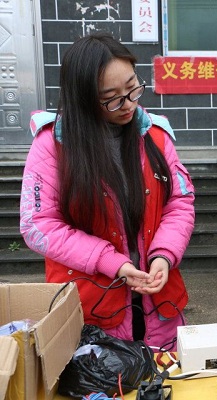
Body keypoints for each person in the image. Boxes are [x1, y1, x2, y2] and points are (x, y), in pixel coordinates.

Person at [19, 32, 195, 350]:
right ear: (83, 98)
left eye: (132, 87)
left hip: (160, 305)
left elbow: (179, 202)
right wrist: (110, 262)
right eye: (112, 98)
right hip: (93, 310)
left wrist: (164, 255)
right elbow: (38, 224)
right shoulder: (52, 146)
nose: (128, 104)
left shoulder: (155, 136)